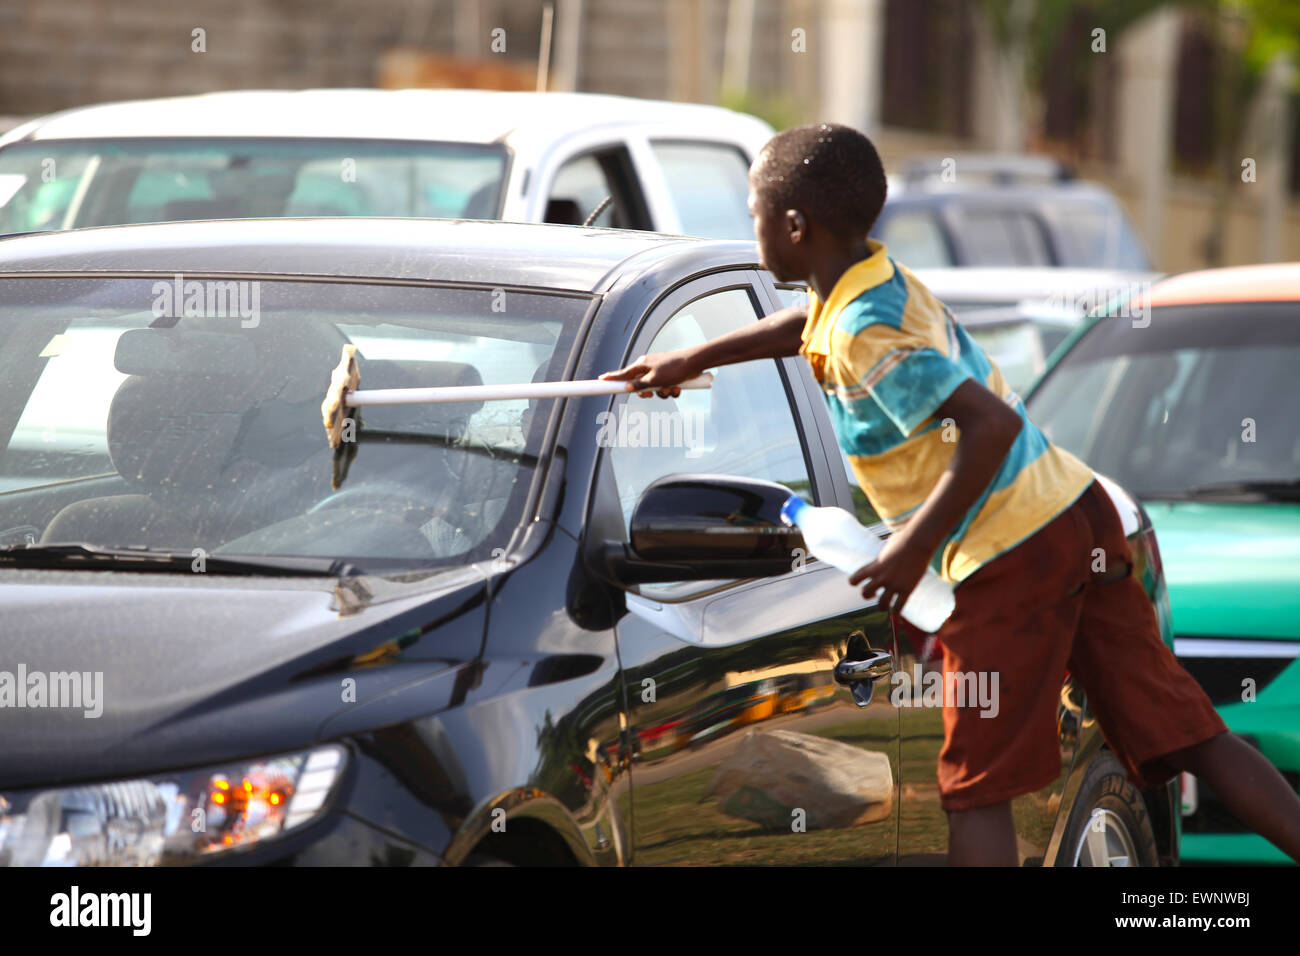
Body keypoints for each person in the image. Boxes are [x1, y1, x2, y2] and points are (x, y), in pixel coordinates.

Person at [599, 122, 1300, 866]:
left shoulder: (863, 334)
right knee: (1191, 735)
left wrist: (912, 547)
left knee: (976, 789)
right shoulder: (871, 282)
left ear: (795, 227)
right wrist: (693, 355)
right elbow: (806, 323)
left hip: (1011, 555)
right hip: (1075, 514)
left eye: (755, 214)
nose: (753, 227)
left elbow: (988, 426)